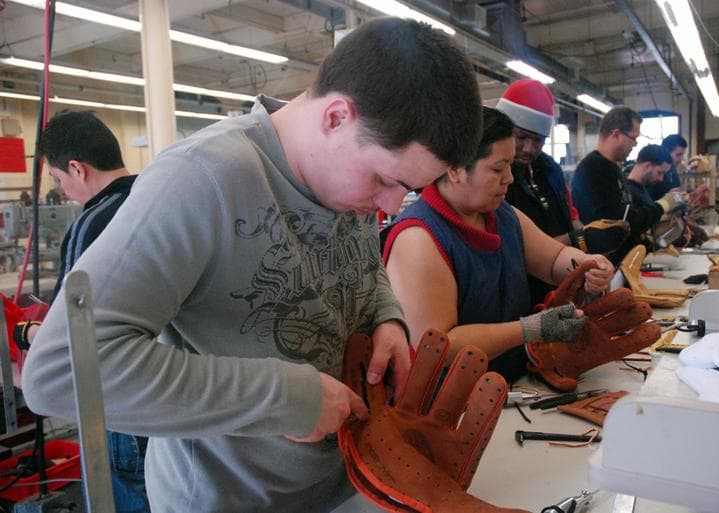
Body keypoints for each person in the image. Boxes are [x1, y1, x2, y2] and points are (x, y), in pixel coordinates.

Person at [22, 18, 483, 513]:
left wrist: (385, 316)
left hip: (349, 484)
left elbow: (361, 267)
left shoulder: (350, 185)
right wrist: (281, 397)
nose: (390, 205)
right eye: (384, 180)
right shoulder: (201, 180)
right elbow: (61, 372)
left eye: (407, 189)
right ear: (335, 117)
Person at [382, 107, 614, 383]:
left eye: (510, 166)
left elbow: (554, 260)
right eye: (497, 168)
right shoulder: (419, 239)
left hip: (508, 383)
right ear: (455, 169)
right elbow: (439, 347)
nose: (510, 178)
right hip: (447, 406)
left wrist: (590, 267)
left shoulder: (503, 215)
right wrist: (530, 329)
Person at [19, 110, 149, 513]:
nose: (64, 191)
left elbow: (68, 333)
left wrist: (24, 333)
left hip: (124, 409)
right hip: (174, 396)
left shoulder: (92, 222)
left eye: (59, 180)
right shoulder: (156, 198)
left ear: (77, 167)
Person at [496, 79, 582, 304]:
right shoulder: (494, 179)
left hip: (559, 286)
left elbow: (569, 216)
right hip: (517, 296)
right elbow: (510, 250)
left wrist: (587, 236)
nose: (529, 148)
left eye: (539, 140)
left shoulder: (550, 169)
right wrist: (575, 241)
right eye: (522, 137)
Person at [571, 107, 684, 263]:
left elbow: (627, 219)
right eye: (633, 138)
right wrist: (663, 205)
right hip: (602, 265)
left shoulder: (612, 168)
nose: (635, 144)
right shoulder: (594, 169)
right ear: (616, 134)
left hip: (618, 263)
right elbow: (623, 222)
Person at [624, 144, 676, 250]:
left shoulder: (643, 189)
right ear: (647, 166)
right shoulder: (627, 192)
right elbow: (635, 227)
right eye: (659, 172)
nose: (661, 179)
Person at [648, 134, 688, 200]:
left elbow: (676, 196)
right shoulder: (652, 172)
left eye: (682, 155)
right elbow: (648, 203)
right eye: (678, 155)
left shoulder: (673, 170)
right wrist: (667, 198)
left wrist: (692, 195)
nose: (681, 159)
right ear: (666, 152)